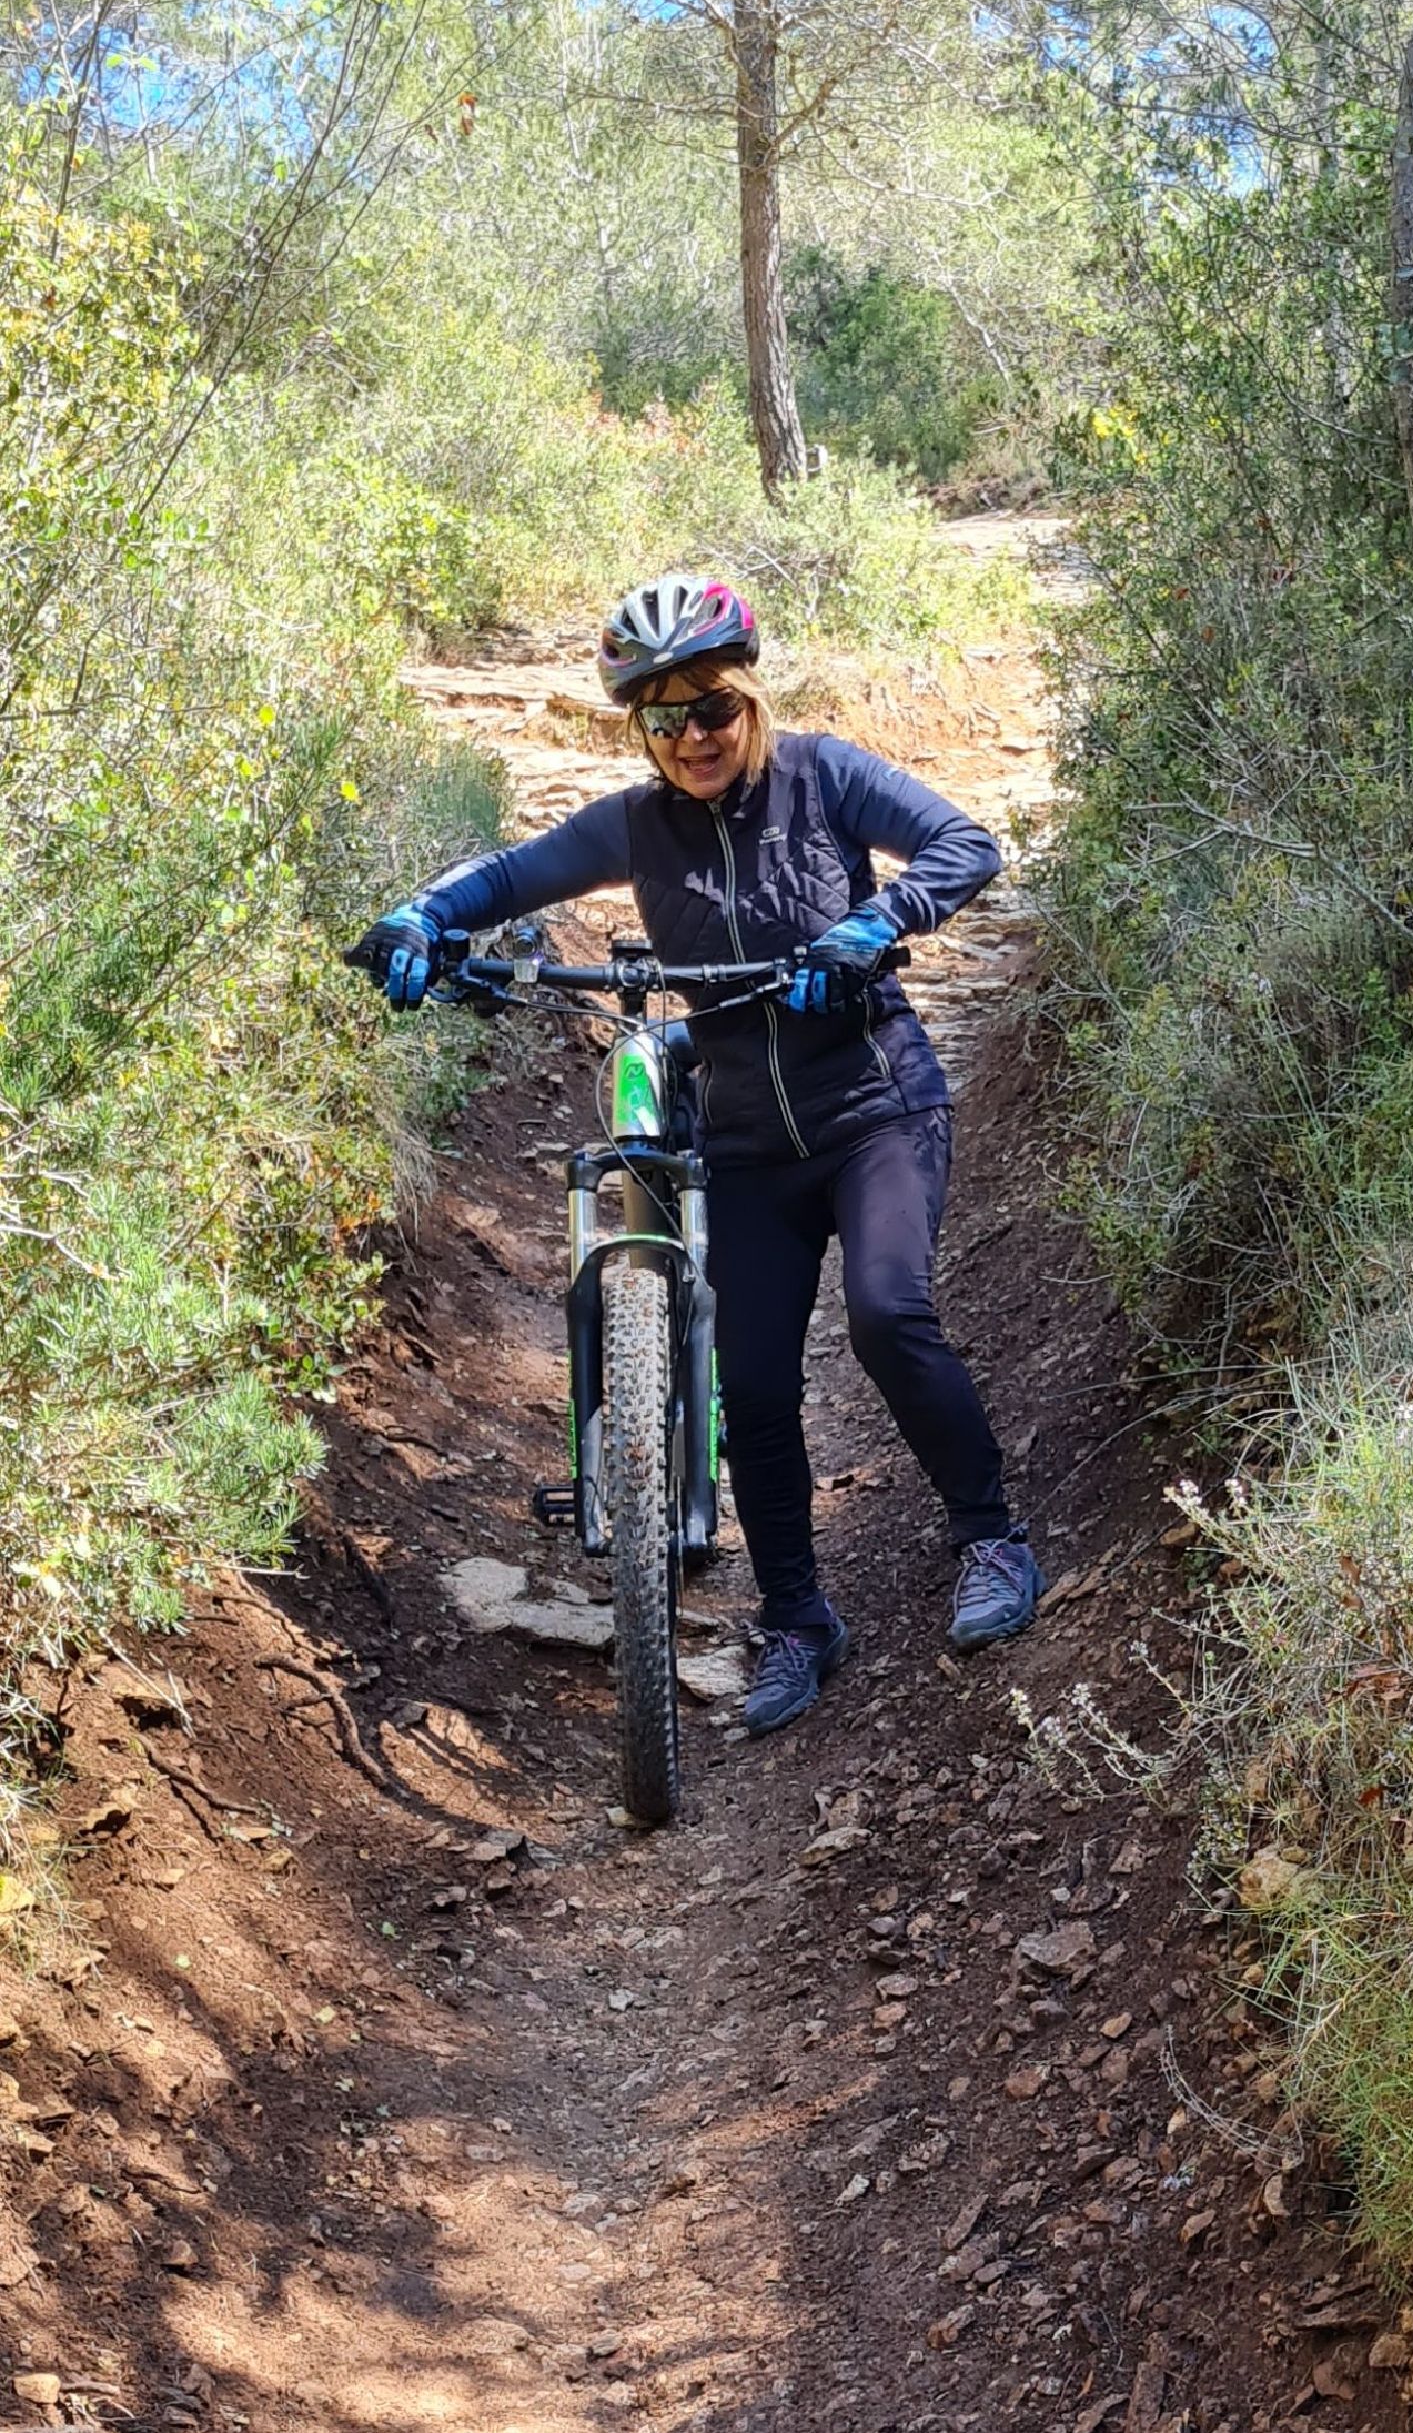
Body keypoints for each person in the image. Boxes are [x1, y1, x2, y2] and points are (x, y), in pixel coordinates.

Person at [368, 569, 1042, 1737]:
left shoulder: (823, 777)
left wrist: (876, 921)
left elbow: (961, 841)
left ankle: (991, 1541)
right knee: (757, 1381)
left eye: (713, 708)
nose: (693, 737)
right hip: (740, 1139)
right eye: (664, 718)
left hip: (873, 1106)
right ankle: (797, 1620)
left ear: (748, 699)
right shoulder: (636, 828)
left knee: (887, 1312)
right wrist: (422, 918)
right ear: (641, 730)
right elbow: (508, 873)